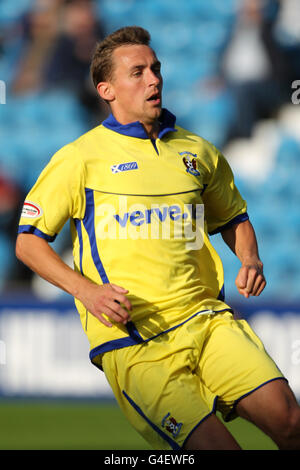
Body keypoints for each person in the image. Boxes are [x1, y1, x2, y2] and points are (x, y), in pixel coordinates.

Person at [16, 26, 300, 450]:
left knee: (291, 421)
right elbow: (28, 242)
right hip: (137, 341)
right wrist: (88, 292)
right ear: (106, 89)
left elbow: (233, 217)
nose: (154, 79)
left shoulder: (197, 152)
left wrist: (251, 258)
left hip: (206, 320)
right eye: (138, 72)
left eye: (156, 68)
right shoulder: (80, 159)